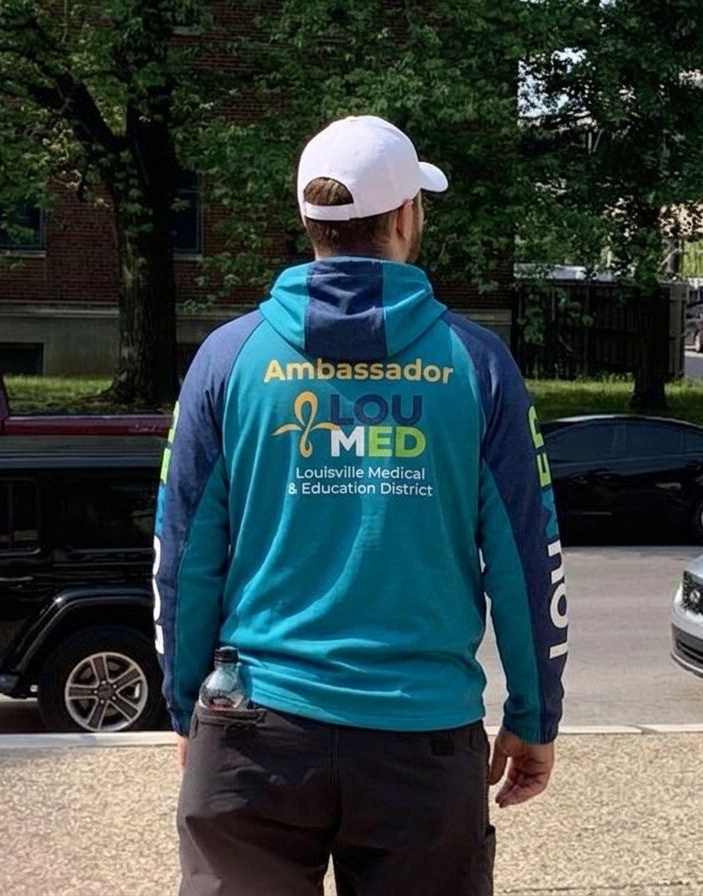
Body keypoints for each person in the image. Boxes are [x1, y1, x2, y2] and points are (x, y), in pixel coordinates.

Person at [153, 114, 568, 896]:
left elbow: (181, 557)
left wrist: (186, 710)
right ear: (407, 216)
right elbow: (527, 557)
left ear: (308, 221)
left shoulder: (227, 358)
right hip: (421, 742)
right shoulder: (476, 366)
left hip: (252, 732)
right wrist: (532, 715)